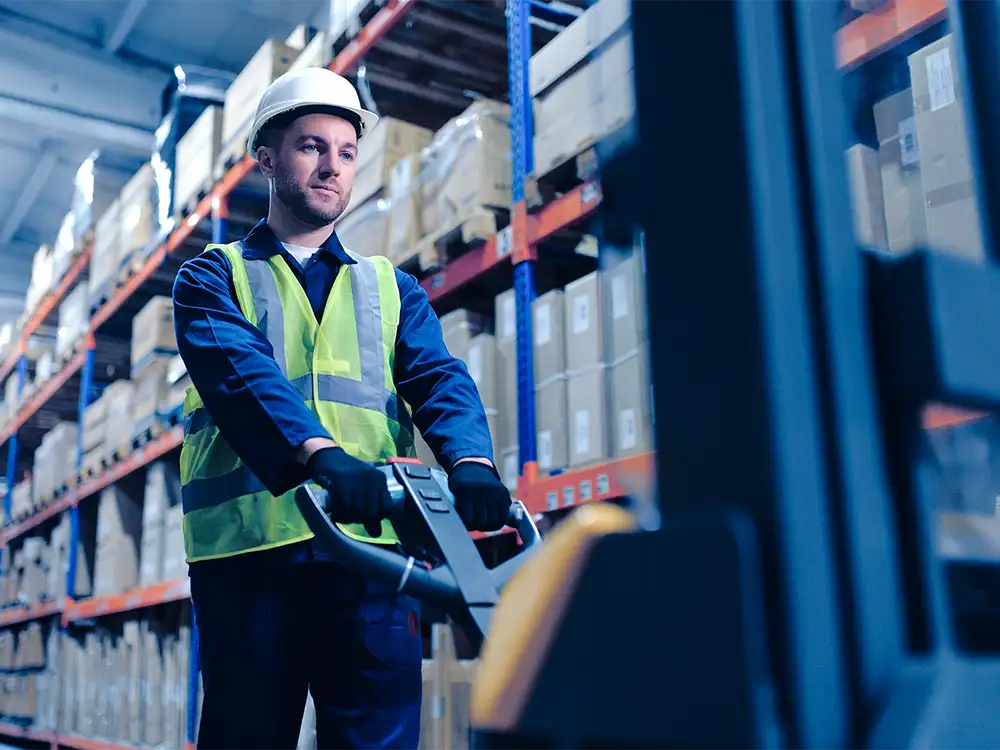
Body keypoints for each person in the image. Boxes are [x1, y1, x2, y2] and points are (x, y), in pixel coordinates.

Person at [171, 67, 511, 750]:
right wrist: (322, 458)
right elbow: (244, 376)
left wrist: (472, 462)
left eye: (347, 152)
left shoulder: (391, 288)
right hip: (252, 558)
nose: (332, 167)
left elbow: (439, 378)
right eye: (310, 147)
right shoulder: (213, 276)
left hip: (373, 557)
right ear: (266, 159)